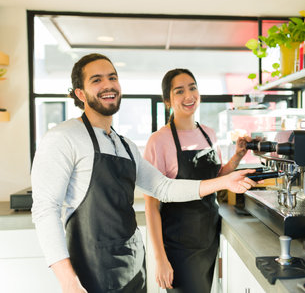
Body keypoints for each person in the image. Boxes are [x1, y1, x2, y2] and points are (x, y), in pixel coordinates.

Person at [30, 54, 258, 293]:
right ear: (80, 93)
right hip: (89, 272)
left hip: (133, 267)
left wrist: (224, 180)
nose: (108, 85)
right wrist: (68, 281)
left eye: (113, 78)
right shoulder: (63, 137)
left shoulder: (125, 145)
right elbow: (45, 210)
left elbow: (164, 188)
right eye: (96, 80)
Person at [143, 68, 253, 293]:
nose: (189, 95)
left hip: (209, 236)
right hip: (179, 245)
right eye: (179, 91)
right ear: (167, 101)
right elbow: (151, 206)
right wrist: (160, 259)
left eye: (192, 87)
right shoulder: (158, 141)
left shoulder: (208, 133)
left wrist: (238, 156)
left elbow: (217, 179)